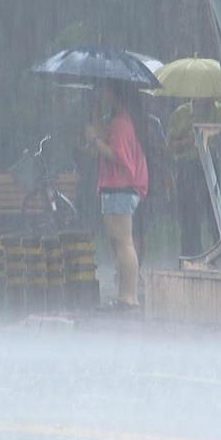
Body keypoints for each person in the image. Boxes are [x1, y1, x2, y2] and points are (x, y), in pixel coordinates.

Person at [85, 80, 149, 309]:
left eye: (106, 90)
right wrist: (95, 117)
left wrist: (94, 140)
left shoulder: (121, 124)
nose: (103, 93)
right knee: (117, 243)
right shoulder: (116, 121)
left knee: (124, 243)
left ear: (115, 93)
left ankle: (129, 296)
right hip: (114, 188)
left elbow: (118, 156)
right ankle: (124, 293)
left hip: (120, 188)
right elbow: (103, 140)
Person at [166, 97, 221, 257]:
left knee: (216, 213)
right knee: (189, 215)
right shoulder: (181, 114)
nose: (204, 99)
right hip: (188, 166)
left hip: (215, 165)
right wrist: (189, 141)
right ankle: (191, 254)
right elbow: (169, 147)